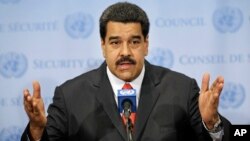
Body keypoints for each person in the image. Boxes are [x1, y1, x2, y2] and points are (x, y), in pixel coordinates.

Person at [21, 2, 231, 141]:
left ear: (146, 44)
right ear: (103, 45)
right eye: (115, 42)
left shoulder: (181, 88)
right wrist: (37, 131)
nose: (125, 52)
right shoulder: (70, 96)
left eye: (134, 42)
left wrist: (211, 124)